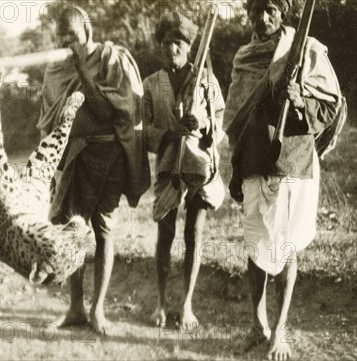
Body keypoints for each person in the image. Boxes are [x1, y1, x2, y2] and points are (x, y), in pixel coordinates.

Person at [224, 0, 342, 359]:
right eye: (257, 9)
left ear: (285, 11)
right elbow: (234, 118)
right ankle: (256, 324)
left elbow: (332, 106)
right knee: (257, 245)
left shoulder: (306, 49)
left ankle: (281, 331)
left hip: (292, 161)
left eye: (272, 8)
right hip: (254, 159)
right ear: (248, 13)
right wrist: (237, 162)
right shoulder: (244, 56)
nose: (264, 17)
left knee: (286, 245)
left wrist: (301, 99)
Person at [38, 6, 149, 335]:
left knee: (103, 230)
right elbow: (49, 122)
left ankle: (98, 309)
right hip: (75, 157)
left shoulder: (110, 58)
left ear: (87, 32)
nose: (67, 43)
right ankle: (75, 307)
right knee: (73, 231)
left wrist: (85, 74)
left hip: (110, 155)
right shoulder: (56, 70)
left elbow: (111, 112)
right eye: (62, 38)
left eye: (72, 36)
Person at [143, 12, 226, 330]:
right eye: (167, 42)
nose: (172, 48)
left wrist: (204, 124)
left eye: (178, 42)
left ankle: (187, 305)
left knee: (194, 234)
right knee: (165, 234)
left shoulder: (204, 78)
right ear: (160, 46)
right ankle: (161, 303)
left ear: (190, 45)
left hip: (200, 166)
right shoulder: (151, 84)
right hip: (168, 168)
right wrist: (169, 133)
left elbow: (221, 117)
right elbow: (144, 130)